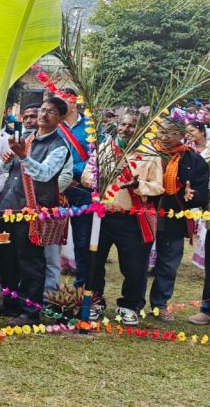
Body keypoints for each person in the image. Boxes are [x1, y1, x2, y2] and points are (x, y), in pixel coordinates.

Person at [0, 97, 71, 326]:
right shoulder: (26, 138)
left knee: (30, 261)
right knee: (6, 259)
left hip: (32, 212)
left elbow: (44, 174)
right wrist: (7, 160)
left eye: (50, 112)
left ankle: (29, 311)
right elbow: (4, 170)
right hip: (8, 207)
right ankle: (10, 303)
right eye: (42, 110)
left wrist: (22, 156)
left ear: (60, 119)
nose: (43, 114)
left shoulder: (59, 147)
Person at [82, 112, 163, 325]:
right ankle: (96, 302)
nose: (125, 129)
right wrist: (99, 179)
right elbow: (87, 175)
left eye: (132, 125)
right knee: (95, 262)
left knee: (134, 266)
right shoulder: (105, 148)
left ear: (142, 129)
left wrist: (138, 186)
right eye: (123, 124)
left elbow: (158, 186)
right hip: (103, 216)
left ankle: (129, 305)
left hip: (132, 219)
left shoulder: (150, 154)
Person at [150, 117, 209, 321]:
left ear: (182, 135)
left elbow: (202, 192)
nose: (164, 137)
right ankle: (132, 304)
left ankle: (160, 304)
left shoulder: (193, 160)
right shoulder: (146, 153)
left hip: (174, 219)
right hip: (143, 215)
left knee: (168, 263)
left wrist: (192, 196)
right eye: (161, 132)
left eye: (171, 133)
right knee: (137, 263)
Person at [57, 90, 95, 289]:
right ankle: (50, 286)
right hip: (58, 189)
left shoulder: (91, 127)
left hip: (82, 189)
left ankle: (83, 285)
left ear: (74, 102)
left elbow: (97, 157)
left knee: (83, 240)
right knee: (51, 239)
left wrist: (75, 174)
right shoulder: (53, 126)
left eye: (62, 99)